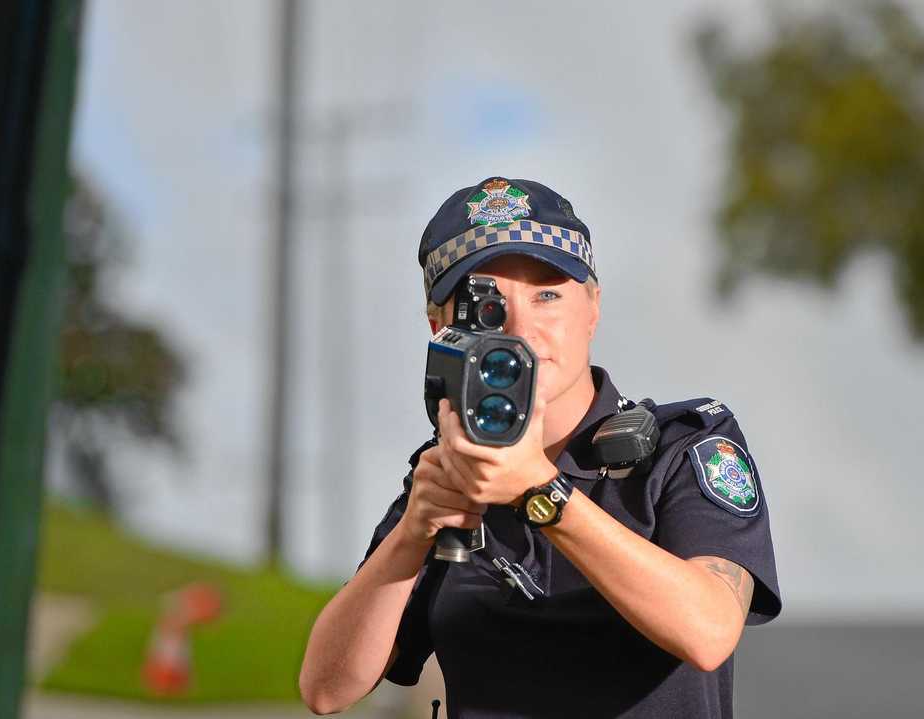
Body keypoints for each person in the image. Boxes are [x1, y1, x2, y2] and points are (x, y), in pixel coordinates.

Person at [299, 177, 781, 718]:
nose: (521, 327)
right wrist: (412, 533)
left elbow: (709, 631)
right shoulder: (447, 472)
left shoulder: (681, 448)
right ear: (439, 329)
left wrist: (541, 493)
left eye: (547, 294)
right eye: (486, 304)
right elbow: (326, 689)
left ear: (593, 306)